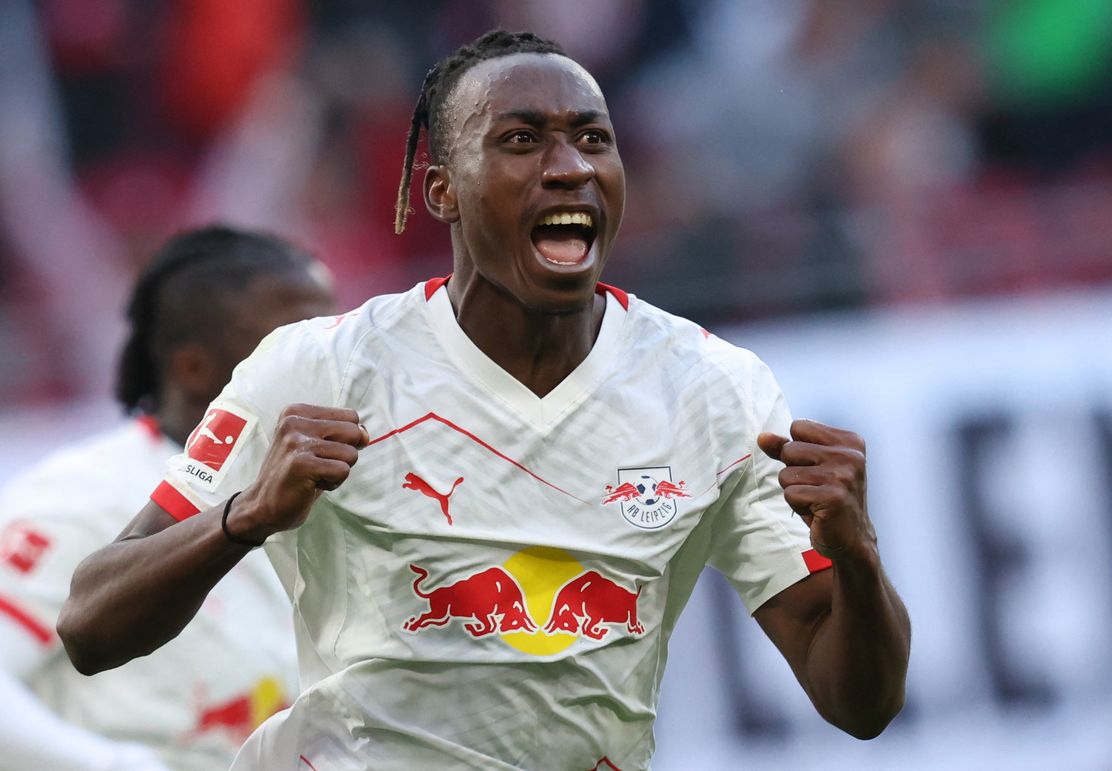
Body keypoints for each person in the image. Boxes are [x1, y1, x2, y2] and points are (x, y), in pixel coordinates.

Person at [58, 31, 911, 770]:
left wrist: (859, 554)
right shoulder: (320, 367)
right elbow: (91, 624)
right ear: (443, 190)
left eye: (593, 139)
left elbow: (859, 702)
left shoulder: (714, 388)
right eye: (521, 140)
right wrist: (243, 517)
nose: (570, 167)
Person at [0, 226, 336, 771]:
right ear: (194, 368)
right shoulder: (80, 498)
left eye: (335, 334)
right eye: (296, 341)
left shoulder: (327, 490)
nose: (330, 358)